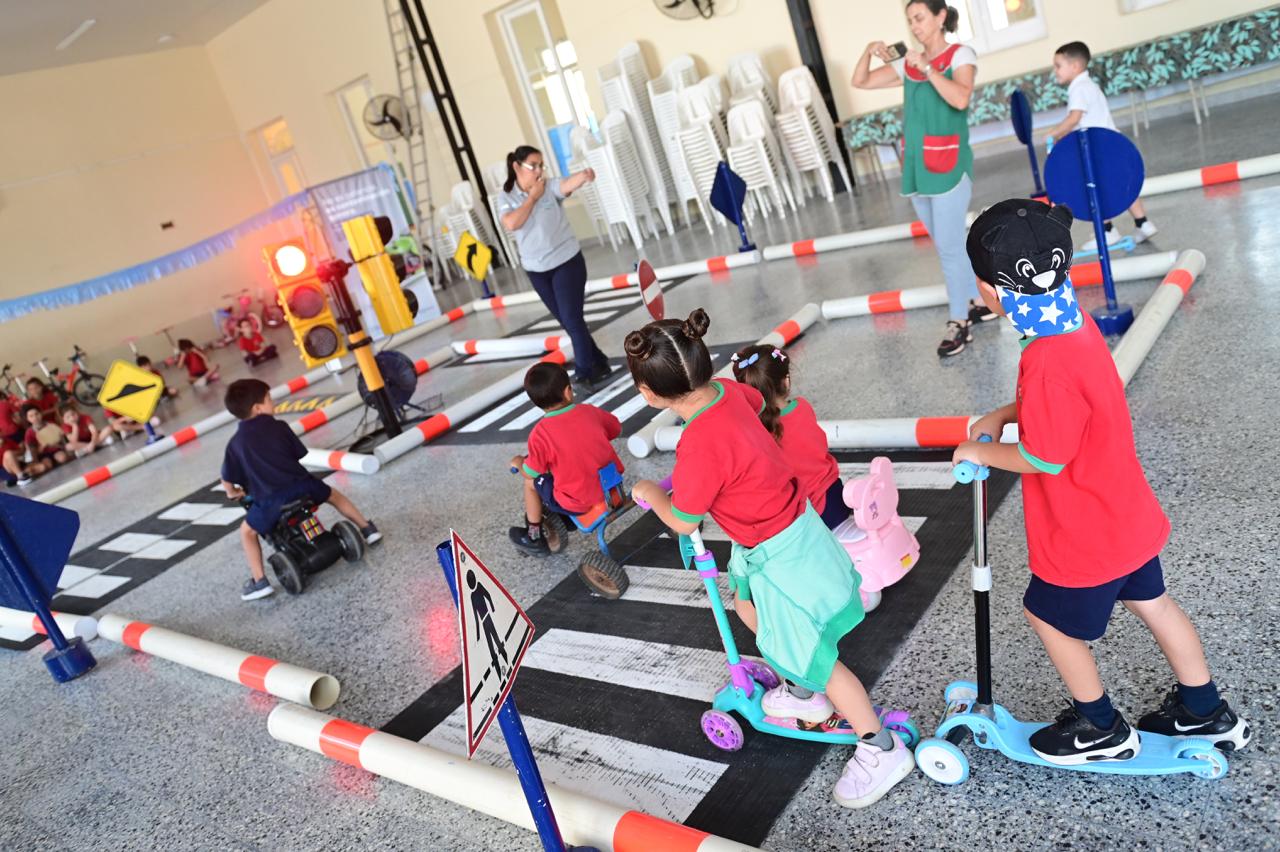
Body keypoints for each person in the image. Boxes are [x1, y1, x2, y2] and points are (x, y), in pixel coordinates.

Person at [951, 198, 1251, 763]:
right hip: (1125, 512)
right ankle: (1205, 711)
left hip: (1085, 528)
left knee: (1047, 616)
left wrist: (980, 451)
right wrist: (1004, 415)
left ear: (989, 293)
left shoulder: (1044, 358)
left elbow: (1045, 457)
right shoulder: (1072, 321)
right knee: (1156, 603)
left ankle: (1100, 727)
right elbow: (1072, 401)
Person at [626, 309, 914, 808]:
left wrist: (651, 490)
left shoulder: (698, 445)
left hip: (779, 555)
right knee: (746, 605)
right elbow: (757, 404)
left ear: (648, 394)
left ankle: (879, 746)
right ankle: (802, 691)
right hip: (789, 527)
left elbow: (685, 520)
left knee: (816, 656)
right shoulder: (729, 391)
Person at [852, 0, 993, 357]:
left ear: (940, 16)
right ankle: (978, 300)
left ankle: (959, 321)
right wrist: (868, 51)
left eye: (920, 18)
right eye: (910, 20)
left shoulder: (960, 55)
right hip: (917, 166)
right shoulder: (906, 63)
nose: (914, 26)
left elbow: (960, 99)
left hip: (949, 162)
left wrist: (927, 67)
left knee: (949, 247)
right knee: (948, 244)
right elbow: (861, 81)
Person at [220, 379, 382, 601]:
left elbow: (227, 478)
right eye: (269, 398)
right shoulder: (279, 426)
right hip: (305, 487)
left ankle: (259, 582)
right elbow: (299, 454)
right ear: (257, 408)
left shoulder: (235, 445)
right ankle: (367, 528)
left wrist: (232, 492)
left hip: (271, 502)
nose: (273, 402)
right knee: (334, 495)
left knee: (247, 532)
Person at [498, 145, 611, 391]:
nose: (539, 171)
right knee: (569, 322)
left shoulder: (548, 186)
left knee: (572, 318)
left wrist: (583, 175)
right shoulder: (506, 197)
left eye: (541, 165)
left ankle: (584, 374)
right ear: (517, 167)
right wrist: (532, 198)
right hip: (537, 270)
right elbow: (512, 223)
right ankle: (600, 362)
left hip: (566, 262)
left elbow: (566, 185)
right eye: (533, 166)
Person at [1048, 41, 1157, 249]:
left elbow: (1074, 118)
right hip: (1112, 144)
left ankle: (1107, 231)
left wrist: (1054, 133)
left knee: (1095, 189)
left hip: (1097, 150)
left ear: (1075, 67)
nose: (1055, 71)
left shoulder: (1078, 88)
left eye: (1058, 66)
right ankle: (1143, 223)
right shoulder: (1090, 85)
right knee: (1121, 184)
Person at [508, 361, 623, 556]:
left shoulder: (540, 434)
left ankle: (533, 536)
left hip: (578, 501)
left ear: (536, 403)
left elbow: (531, 472)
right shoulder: (589, 411)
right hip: (613, 489)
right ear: (568, 392)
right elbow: (616, 429)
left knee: (530, 484)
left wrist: (520, 463)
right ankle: (562, 519)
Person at [730, 344, 849, 529]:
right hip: (837, 501)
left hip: (807, 520)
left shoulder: (753, 433)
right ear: (785, 381)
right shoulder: (803, 407)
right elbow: (820, 447)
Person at [23, 403, 70, 469]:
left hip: (56, 450)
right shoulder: (29, 432)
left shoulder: (50, 424)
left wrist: (61, 446)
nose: (35, 417)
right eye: (31, 416)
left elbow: (62, 438)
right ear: (27, 419)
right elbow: (32, 450)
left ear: (41, 413)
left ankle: (57, 461)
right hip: (43, 455)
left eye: (37, 414)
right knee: (46, 466)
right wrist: (37, 461)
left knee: (62, 458)